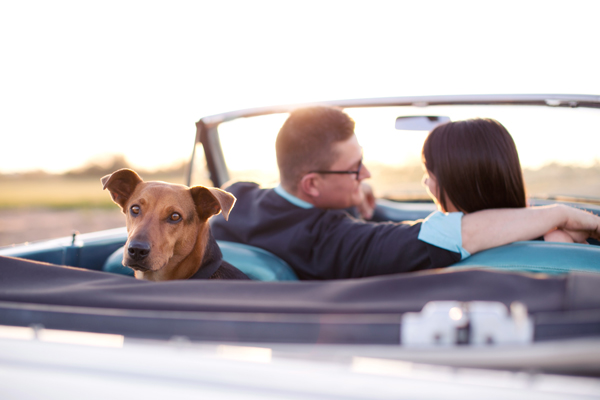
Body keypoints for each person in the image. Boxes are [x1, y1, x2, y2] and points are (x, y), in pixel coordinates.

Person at [211, 106, 600, 280]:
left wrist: (365, 208)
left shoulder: (235, 199)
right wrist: (559, 213)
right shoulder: (330, 240)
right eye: (353, 169)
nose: (365, 174)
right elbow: (440, 234)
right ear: (312, 184)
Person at [421, 118, 574, 242]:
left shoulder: (436, 242)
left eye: (429, 175)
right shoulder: (553, 239)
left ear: (458, 183)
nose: (425, 182)